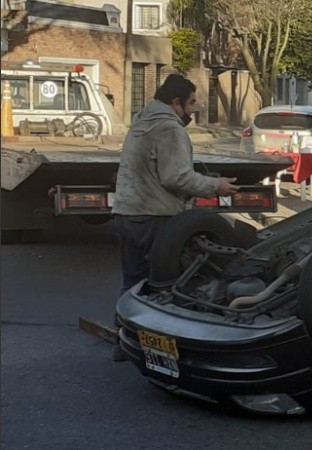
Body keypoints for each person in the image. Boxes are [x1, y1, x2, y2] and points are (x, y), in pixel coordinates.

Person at [110, 74, 239, 361]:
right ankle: (168, 347)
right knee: (167, 282)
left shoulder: (142, 120)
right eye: (191, 103)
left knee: (132, 278)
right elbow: (175, 177)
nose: (194, 110)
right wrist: (214, 186)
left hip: (126, 212)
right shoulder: (170, 128)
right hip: (156, 215)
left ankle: (122, 339)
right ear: (176, 102)